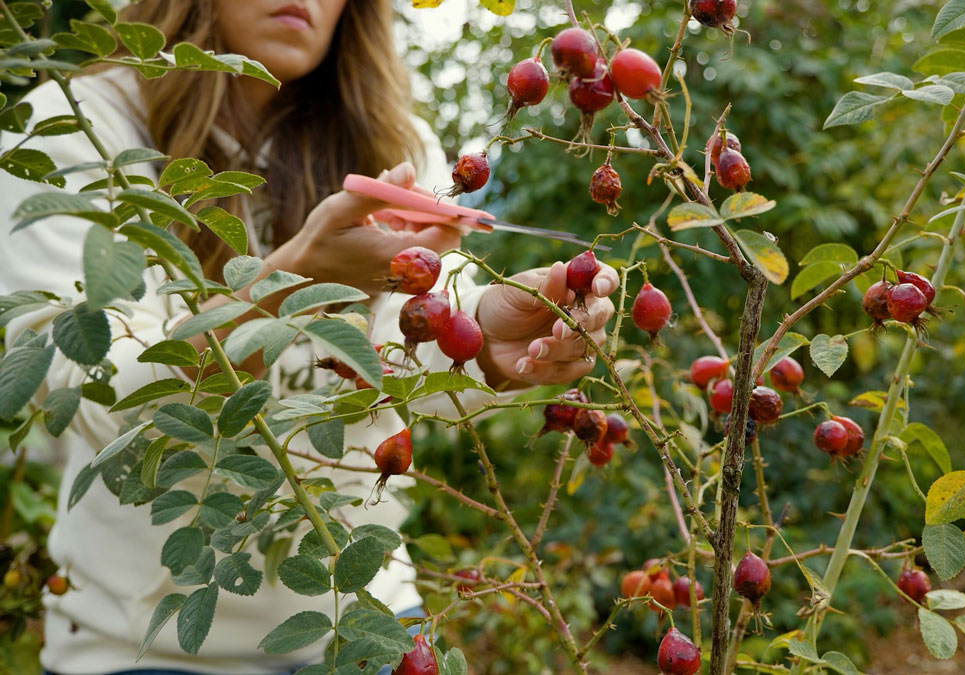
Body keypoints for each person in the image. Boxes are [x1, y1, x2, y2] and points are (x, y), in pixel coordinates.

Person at [0, 1, 616, 673]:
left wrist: (486, 338)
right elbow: (99, 394)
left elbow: (395, 350)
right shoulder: (72, 133)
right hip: (142, 643)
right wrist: (288, 282)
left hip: (365, 622)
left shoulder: (390, 136)